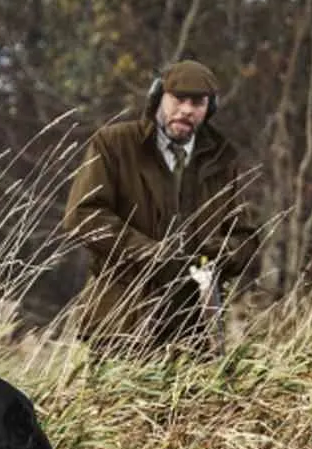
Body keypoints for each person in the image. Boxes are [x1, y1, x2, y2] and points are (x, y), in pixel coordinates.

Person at [62, 59, 257, 355]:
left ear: (210, 108)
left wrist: (217, 255)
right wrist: (149, 252)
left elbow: (246, 236)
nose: (187, 110)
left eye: (198, 102)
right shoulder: (114, 144)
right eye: (178, 98)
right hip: (120, 323)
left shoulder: (222, 159)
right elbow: (82, 216)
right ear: (158, 98)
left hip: (195, 329)